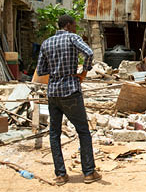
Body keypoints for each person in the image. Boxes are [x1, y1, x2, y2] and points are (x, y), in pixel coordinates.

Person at [37, 14, 101, 185]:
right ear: (68, 25)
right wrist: (83, 72)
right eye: (74, 25)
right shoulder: (73, 38)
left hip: (53, 93)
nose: (75, 27)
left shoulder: (46, 43)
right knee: (83, 131)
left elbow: (41, 70)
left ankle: (60, 175)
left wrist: (56, 71)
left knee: (54, 134)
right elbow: (88, 52)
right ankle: (88, 172)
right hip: (71, 90)